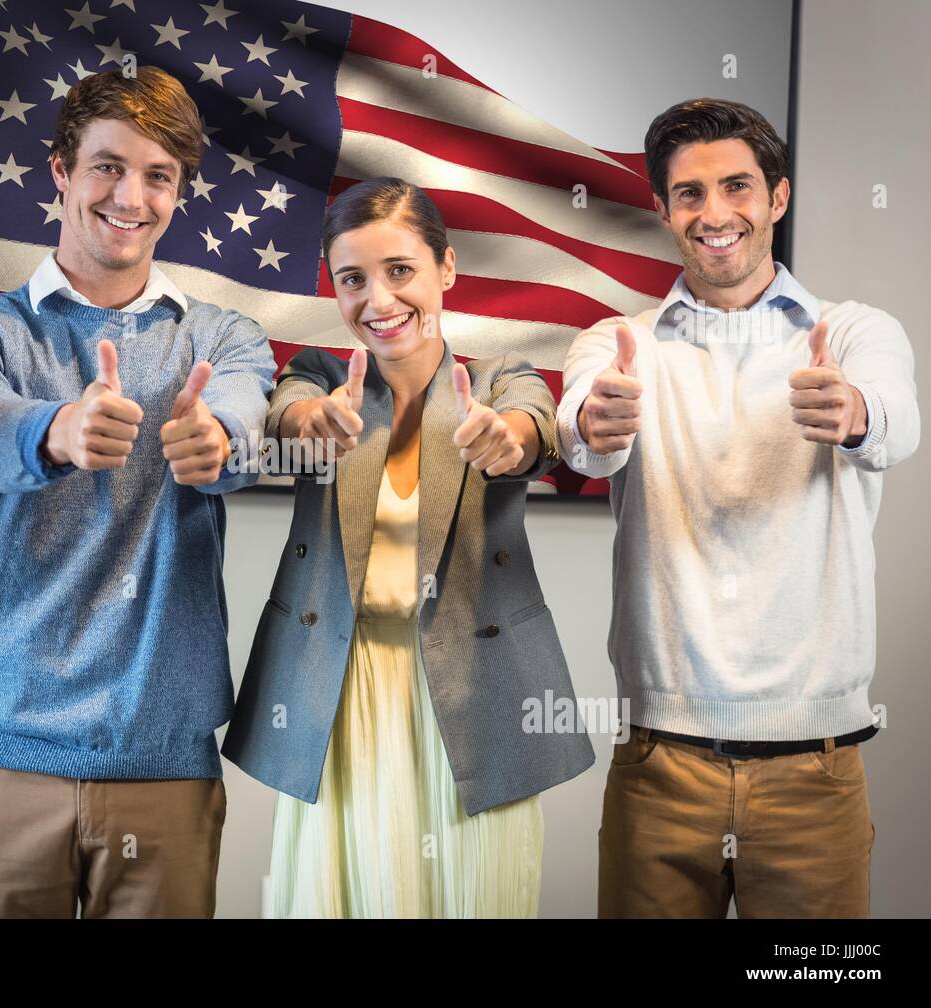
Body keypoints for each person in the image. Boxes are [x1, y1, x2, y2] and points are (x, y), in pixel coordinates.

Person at [556, 98, 919, 918]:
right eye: (689, 194)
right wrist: (591, 421)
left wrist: (855, 412)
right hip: (659, 767)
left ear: (777, 198)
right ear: (663, 209)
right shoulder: (619, 344)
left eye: (737, 187)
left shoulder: (855, 332)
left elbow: (897, 421)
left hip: (815, 774)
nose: (714, 214)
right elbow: (581, 432)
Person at [0, 66, 275, 919]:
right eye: (109, 167)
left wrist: (217, 442)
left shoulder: (222, 336)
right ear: (59, 170)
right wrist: (55, 431)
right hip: (5, 758)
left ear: (180, 192)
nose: (132, 195)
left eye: (159, 176)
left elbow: (241, 418)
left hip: (164, 768)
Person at [221, 177, 594, 918]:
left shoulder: (495, 380)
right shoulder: (323, 380)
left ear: (446, 268)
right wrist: (309, 424)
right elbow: (287, 417)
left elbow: (535, 425)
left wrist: (508, 440)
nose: (379, 300)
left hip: (472, 695)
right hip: (341, 695)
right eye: (353, 279)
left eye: (401, 271)